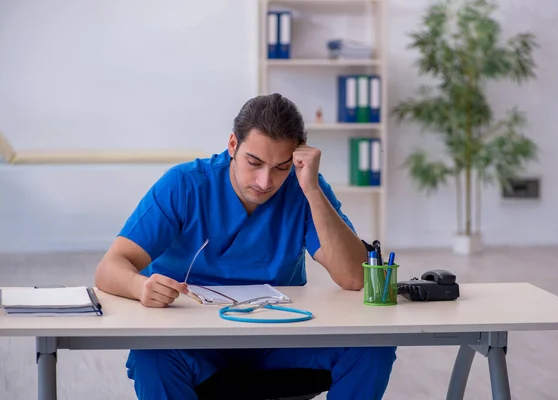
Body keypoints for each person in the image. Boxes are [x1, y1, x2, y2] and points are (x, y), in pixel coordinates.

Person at [94, 93, 397, 399]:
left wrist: (312, 190)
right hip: (195, 340)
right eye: (254, 163)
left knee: (373, 347)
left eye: (281, 167)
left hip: (279, 339)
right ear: (232, 145)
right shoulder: (184, 185)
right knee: (151, 357)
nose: (265, 182)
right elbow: (111, 266)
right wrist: (140, 287)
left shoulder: (304, 189)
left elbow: (355, 278)